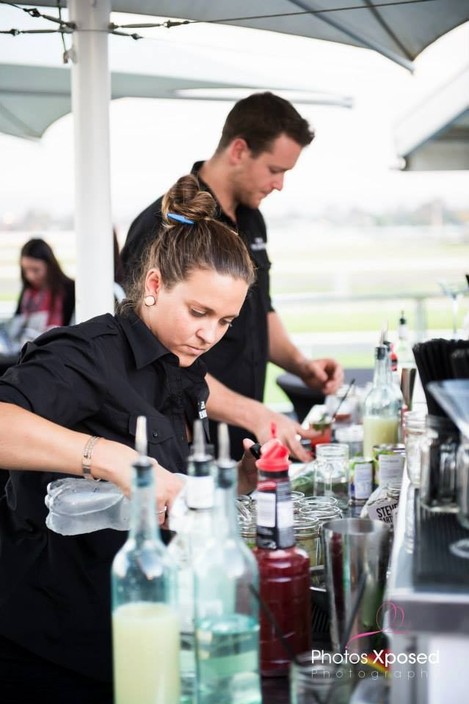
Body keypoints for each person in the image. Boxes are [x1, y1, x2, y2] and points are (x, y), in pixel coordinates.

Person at [0, 174, 258, 704]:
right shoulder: (87, 354)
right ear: (156, 284)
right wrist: (110, 458)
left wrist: (228, 484)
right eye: (199, 313)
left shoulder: (182, 364)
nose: (210, 334)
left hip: (135, 623)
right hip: (53, 637)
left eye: (226, 321)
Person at [121, 92, 344, 461]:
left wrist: (301, 366)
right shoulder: (162, 225)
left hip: (246, 433)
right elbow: (152, 353)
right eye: (275, 170)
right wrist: (254, 413)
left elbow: (261, 313)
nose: (280, 185)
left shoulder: (252, 217)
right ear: (239, 150)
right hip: (185, 440)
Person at [8, 237, 75, 349]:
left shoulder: (70, 290)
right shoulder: (27, 292)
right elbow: (16, 323)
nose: (30, 276)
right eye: (25, 270)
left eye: (36, 270)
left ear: (50, 266)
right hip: (24, 351)